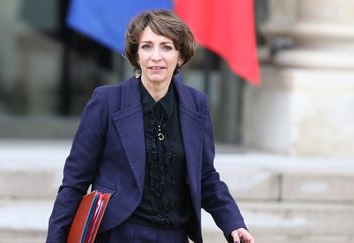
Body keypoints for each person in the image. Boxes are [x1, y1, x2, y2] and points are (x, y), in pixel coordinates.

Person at [47, 10, 254, 243]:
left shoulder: (197, 104)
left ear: (181, 56)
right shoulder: (106, 101)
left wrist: (234, 223)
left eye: (166, 47)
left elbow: (206, 176)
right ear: (136, 54)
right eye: (147, 46)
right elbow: (74, 182)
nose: (156, 56)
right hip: (119, 233)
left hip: (174, 235)